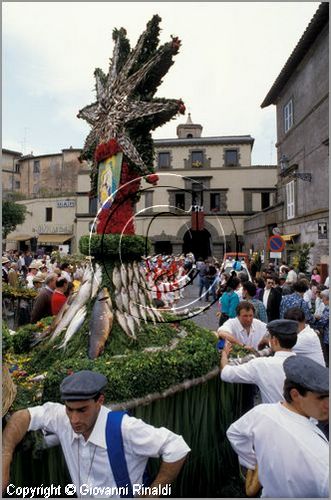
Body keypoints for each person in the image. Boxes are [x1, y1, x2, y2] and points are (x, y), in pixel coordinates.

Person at [2, 370, 190, 497]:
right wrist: (5, 457)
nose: (74, 419)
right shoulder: (62, 417)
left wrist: (154, 493)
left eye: (82, 410)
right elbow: (22, 416)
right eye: (70, 409)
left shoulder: (125, 428)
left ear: (100, 401)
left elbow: (177, 447)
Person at [226, 356, 329, 498]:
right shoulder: (322, 458)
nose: (327, 405)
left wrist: (252, 461)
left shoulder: (261, 413)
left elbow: (234, 433)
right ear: (295, 395)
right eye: (321, 397)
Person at [220, 319, 298, 404]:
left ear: (274, 340)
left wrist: (224, 353)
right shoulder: (305, 364)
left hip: (271, 415)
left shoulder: (261, 364)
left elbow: (226, 373)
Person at [314, 290, 329, 367]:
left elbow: (323, 322)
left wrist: (315, 326)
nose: (322, 300)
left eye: (323, 298)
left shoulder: (328, 309)